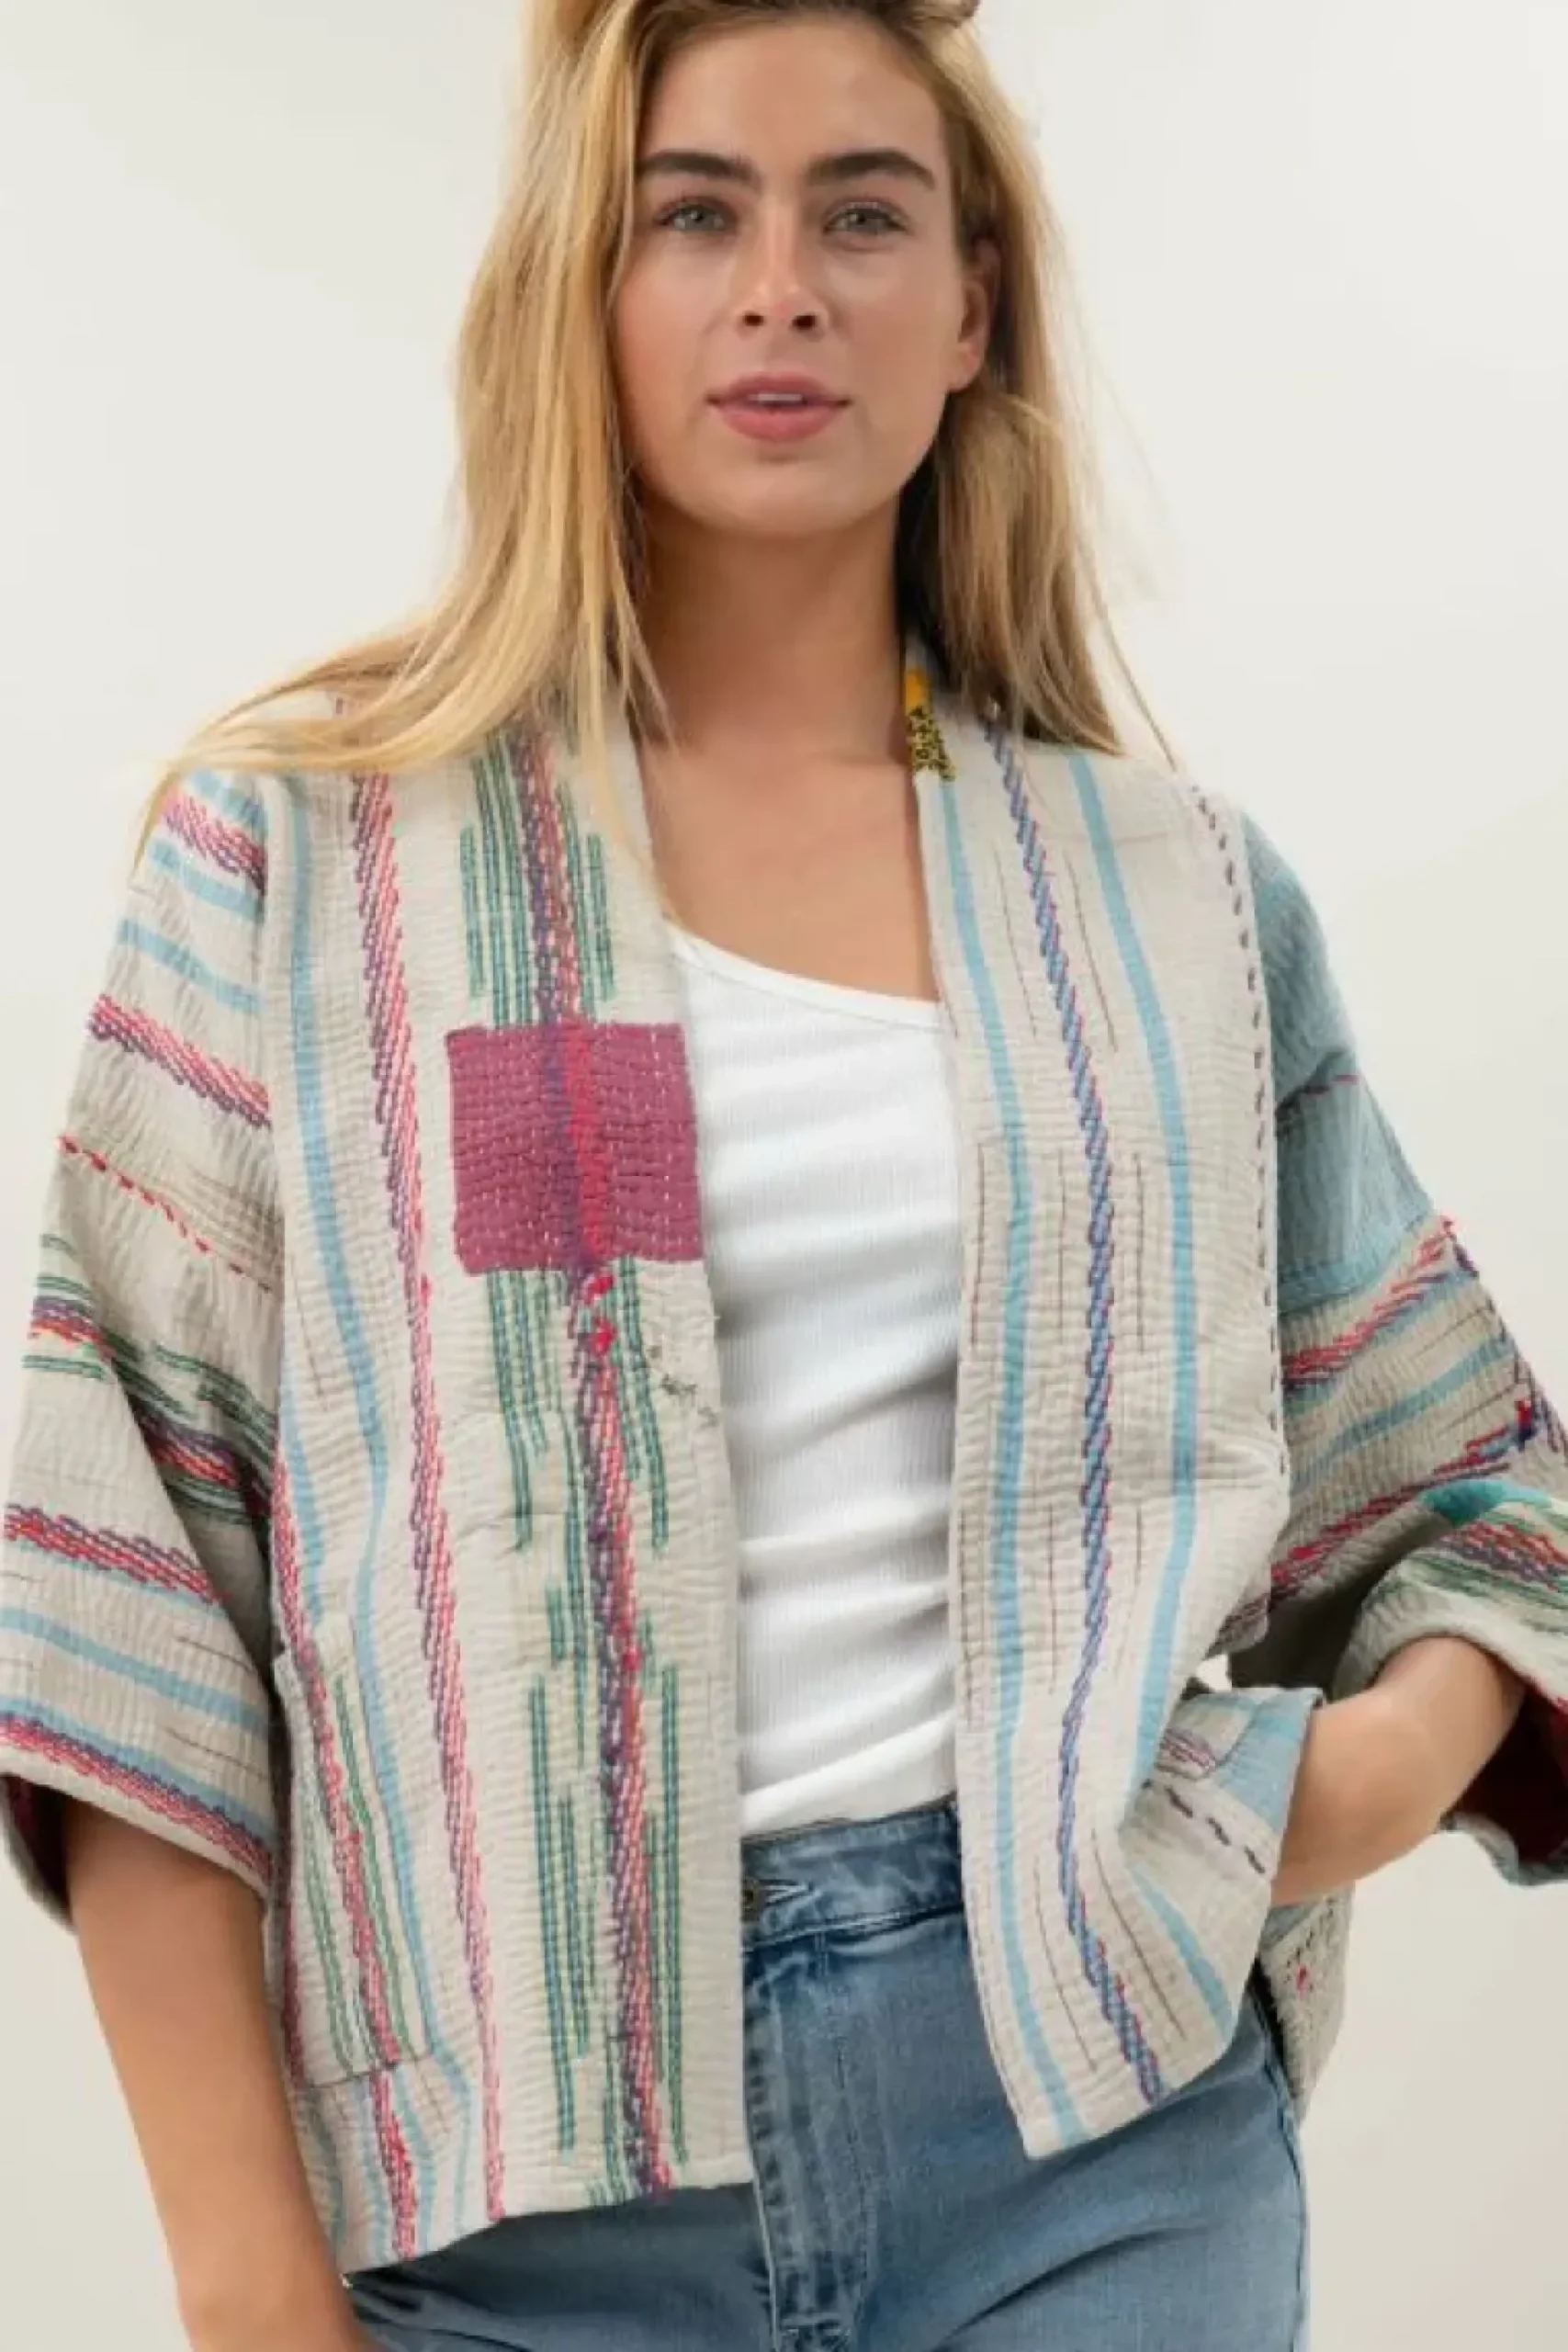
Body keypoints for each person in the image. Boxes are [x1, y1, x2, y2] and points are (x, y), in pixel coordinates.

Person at [3, 3, 1565, 2347]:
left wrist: (1352, 1779)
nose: (780, 291)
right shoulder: (313, 863)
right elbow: (130, 1580)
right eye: (692, 215)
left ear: (972, 310)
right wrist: (247, 2279)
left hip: (1090, 2134)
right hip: (514, 2190)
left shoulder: (1170, 902)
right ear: (585, 286)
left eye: (862, 215)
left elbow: (1478, 1489)